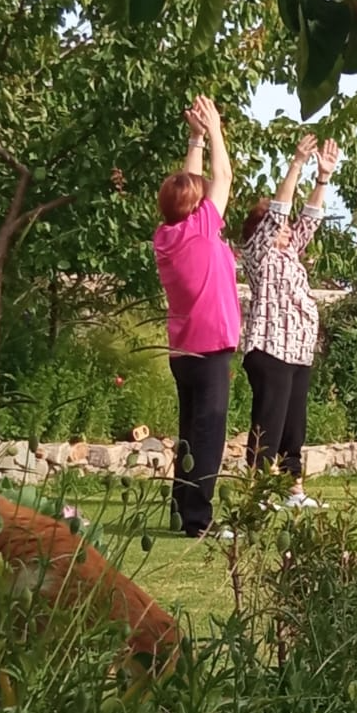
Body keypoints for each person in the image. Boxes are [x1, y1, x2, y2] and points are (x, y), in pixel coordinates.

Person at [153, 96, 239, 540]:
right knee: (207, 437)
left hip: (183, 350)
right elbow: (221, 177)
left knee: (190, 434)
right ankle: (198, 521)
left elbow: (194, 182)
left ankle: (180, 507)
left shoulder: (167, 235)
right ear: (196, 206)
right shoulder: (201, 228)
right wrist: (217, 130)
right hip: (207, 351)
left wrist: (195, 138)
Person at [240, 133, 341, 509]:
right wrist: (296, 164)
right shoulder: (259, 254)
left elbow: (308, 221)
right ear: (260, 229)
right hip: (270, 349)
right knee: (269, 423)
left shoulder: (290, 255)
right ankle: (256, 494)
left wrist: (322, 178)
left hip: (297, 351)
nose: (284, 228)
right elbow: (281, 211)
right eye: (274, 224)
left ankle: (292, 489)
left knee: (293, 426)